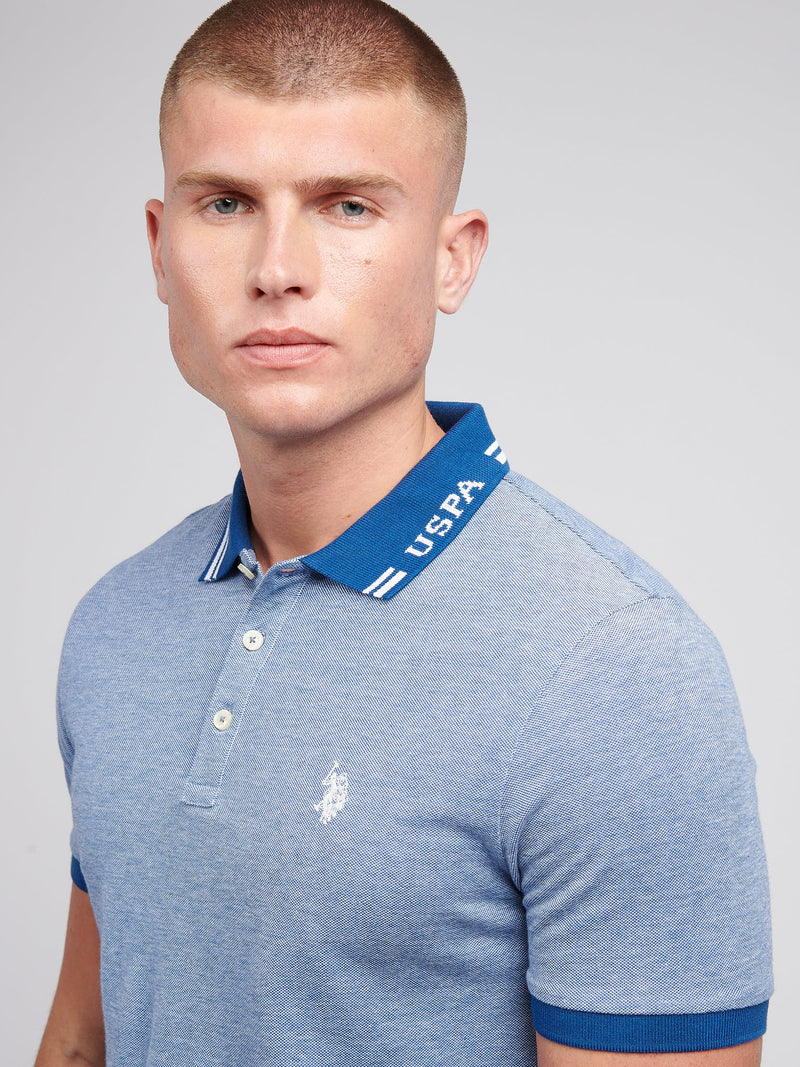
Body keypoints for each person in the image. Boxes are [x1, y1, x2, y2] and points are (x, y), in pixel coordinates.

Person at [35, 1, 772, 1065]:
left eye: (346, 206)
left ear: (451, 259)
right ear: (159, 248)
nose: (277, 266)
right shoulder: (116, 622)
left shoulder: (616, 670)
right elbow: (80, 1039)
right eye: (226, 202)